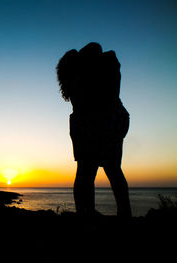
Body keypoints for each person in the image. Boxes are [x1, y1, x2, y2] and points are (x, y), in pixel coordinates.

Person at [56, 42, 132, 217]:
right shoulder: (87, 74)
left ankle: (86, 212)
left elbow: (102, 53)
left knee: (86, 171)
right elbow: (100, 50)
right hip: (101, 121)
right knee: (109, 169)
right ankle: (120, 212)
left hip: (90, 123)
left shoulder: (74, 77)